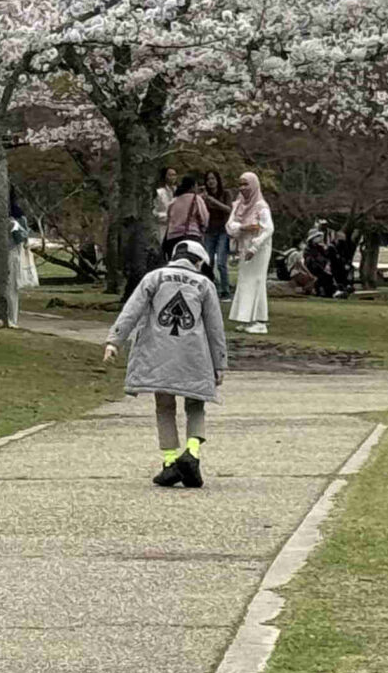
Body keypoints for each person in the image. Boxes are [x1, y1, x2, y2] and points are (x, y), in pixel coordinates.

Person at [103, 237, 228, 488]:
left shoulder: (155, 278)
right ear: (199, 261)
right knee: (195, 405)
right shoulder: (204, 284)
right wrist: (219, 363)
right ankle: (192, 453)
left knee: (164, 407)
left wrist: (114, 341)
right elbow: (215, 328)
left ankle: (169, 462)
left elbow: (132, 309)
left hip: (157, 354)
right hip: (194, 356)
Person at [227, 171, 273, 334]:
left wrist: (255, 247)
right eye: (240, 184)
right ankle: (246, 319)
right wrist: (244, 227)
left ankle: (259, 320)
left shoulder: (261, 206)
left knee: (257, 281)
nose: (243, 188)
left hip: (258, 249)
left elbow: (268, 229)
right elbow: (230, 226)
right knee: (245, 281)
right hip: (243, 247)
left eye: (246, 184)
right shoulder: (238, 205)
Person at [204, 171, 233, 296]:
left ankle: (225, 291)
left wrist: (213, 201)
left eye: (213, 178)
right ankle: (209, 289)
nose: (211, 181)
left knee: (221, 262)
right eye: (208, 179)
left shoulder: (226, 193)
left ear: (217, 180)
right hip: (209, 231)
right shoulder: (205, 196)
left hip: (223, 231)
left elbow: (229, 209)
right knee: (208, 261)